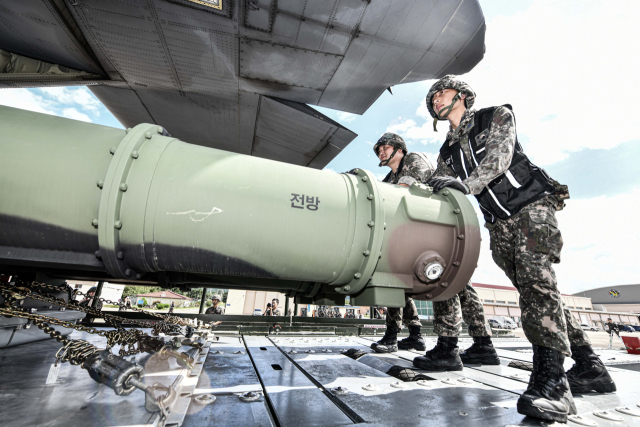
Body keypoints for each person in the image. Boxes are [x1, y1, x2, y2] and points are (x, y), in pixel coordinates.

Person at [424, 75, 615, 422]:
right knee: (537, 291)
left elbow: (498, 159)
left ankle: (553, 385)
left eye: (442, 91)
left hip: (531, 208)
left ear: (463, 94)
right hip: (499, 226)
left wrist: (463, 184)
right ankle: (590, 366)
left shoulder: (495, 116)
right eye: (432, 97)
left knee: (536, 284)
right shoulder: (446, 152)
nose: (436, 98)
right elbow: (438, 186)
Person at [368, 133, 497, 370]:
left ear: (400, 149)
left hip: (440, 227)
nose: (381, 153)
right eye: (378, 150)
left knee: (458, 287)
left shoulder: (414, 160)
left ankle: (481, 343)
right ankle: (481, 344)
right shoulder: (391, 176)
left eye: (385, 148)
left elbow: (421, 191)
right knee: (401, 282)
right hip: (420, 232)